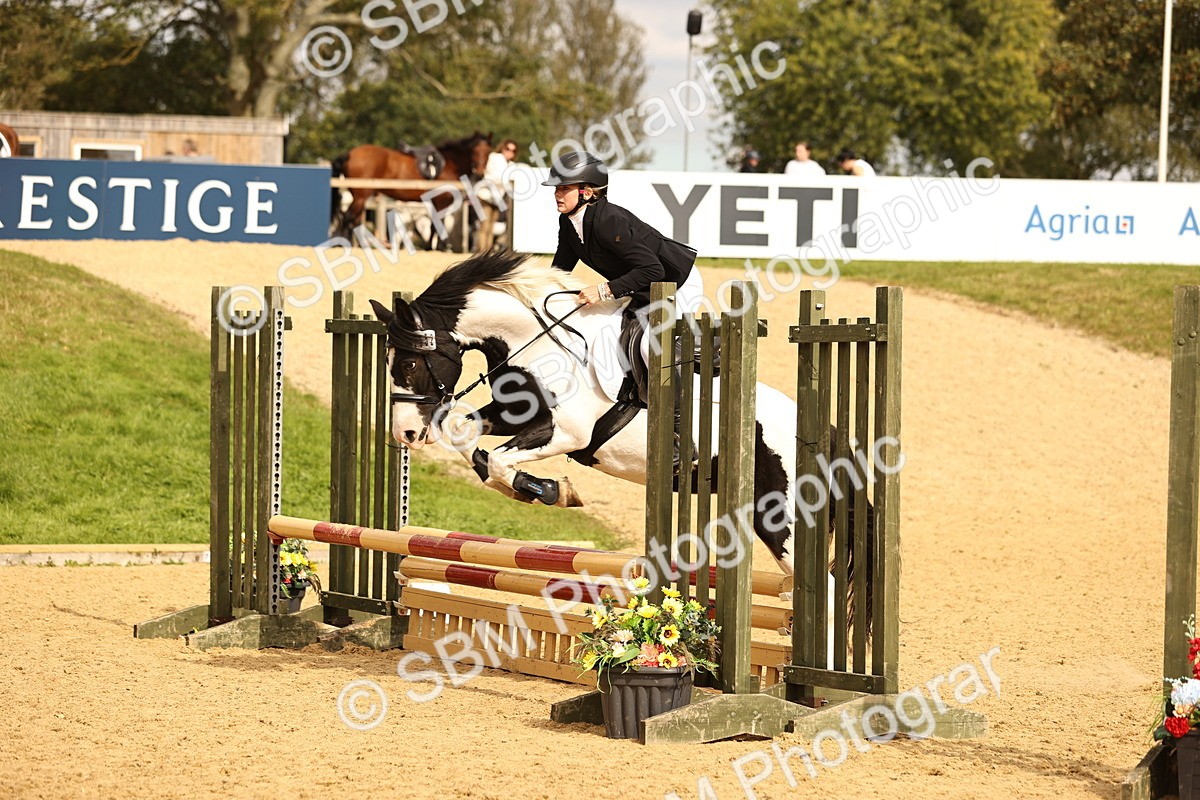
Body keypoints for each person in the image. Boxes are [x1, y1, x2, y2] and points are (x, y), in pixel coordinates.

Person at [544, 150, 704, 465]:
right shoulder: (569, 222)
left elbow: (654, 270)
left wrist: (603, 289)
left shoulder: (609, 220)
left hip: (677, 283)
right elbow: (560, 269)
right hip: (643, 286)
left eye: (564, 188)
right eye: (556, 188)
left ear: (586, 192)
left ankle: (681, 437)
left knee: (648, 345)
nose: (557, 194)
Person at [475, 139, 519, 252]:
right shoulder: (495, 157)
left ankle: (487, 253)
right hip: (486, 196)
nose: (510, 152)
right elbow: (493, 177)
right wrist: (506, 180)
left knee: (491, 228)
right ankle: (481, 253)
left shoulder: (511, 165)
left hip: (497, 199)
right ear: (502, 148)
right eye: (508, 149)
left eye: (513, 150)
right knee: (484, 226)